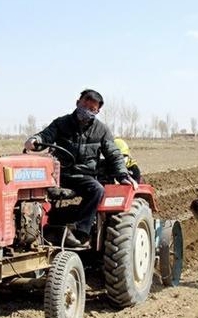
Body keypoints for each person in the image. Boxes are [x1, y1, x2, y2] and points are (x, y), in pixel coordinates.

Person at [24, 89, 136, 247]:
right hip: (60, 174)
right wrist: (35, 140)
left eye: (92, 109)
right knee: (32, 188)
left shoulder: (101, 130)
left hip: (84, 176)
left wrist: (122, 175)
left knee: (97, 190)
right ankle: (36, 229)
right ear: (78, 103)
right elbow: (46, 135)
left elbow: (114, 153)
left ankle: (81, 233)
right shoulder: (61, 123)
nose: (87, 111)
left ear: (97, 111)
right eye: (85, 105)